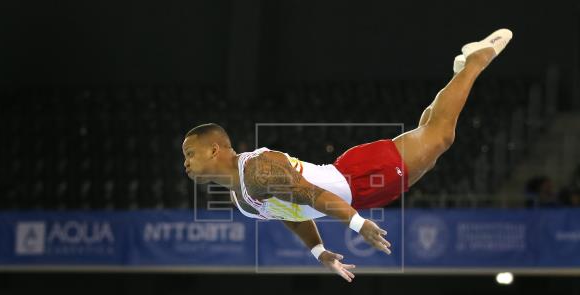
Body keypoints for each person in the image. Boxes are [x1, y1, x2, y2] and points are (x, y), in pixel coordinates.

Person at [182, 29, 513, 282]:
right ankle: (460, 73)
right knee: (428, 138)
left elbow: (312, 194)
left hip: (359, 176)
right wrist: (319, 251)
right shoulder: (239, 197)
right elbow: (289, 212)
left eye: (190, 153)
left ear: (214, 149)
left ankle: (476, 60)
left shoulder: (256, 170)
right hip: (361, 189)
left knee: (441, 136)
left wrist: (358, 225)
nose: (185, 162)